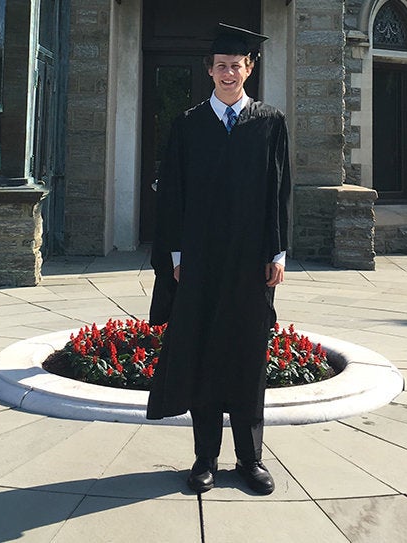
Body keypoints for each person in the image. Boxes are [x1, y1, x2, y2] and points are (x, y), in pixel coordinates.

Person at [146, 23, 291, 496]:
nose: (229, 72)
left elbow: (279, 191)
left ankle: (250, 459)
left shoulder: (270, 122)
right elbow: (173, 197)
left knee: (248, 355)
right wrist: (177, 256)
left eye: (237, 65)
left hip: (251, 262)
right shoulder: (188, 126)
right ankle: (205, 458)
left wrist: (278, 252)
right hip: (202, 262)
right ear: (209, 70)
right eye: (221, 65)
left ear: (250, 68)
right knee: (205, 351)